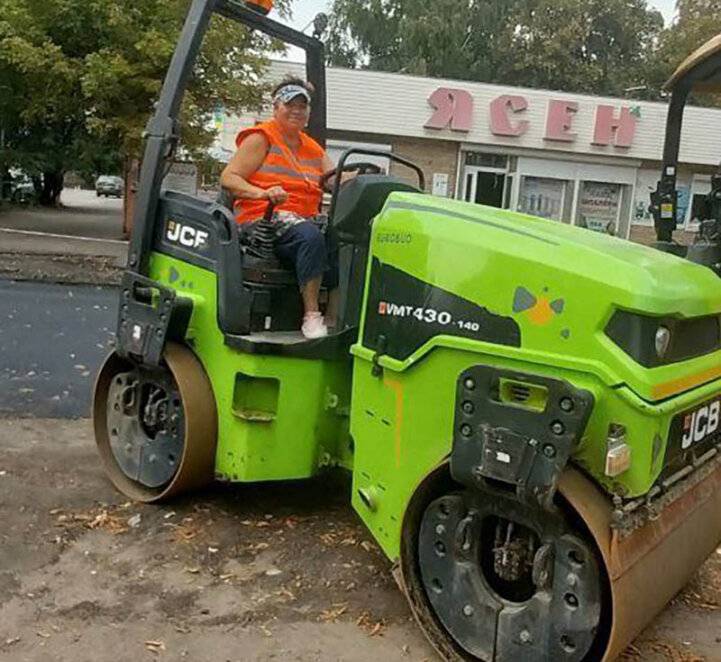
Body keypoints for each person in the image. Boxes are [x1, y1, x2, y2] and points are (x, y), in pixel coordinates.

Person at [220, 77, 338, 340]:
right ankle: (311, 315)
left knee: (346, 237)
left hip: (301, 219)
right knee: (310, 237)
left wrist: (357, 179)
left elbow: (332, 178)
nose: (296, 110)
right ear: (276, 106)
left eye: (302, 105)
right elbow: (229, 178)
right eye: (290, 104)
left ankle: (335, 314)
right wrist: (263, 193)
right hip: (262, 219)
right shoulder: (261, 138)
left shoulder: (312, 147)